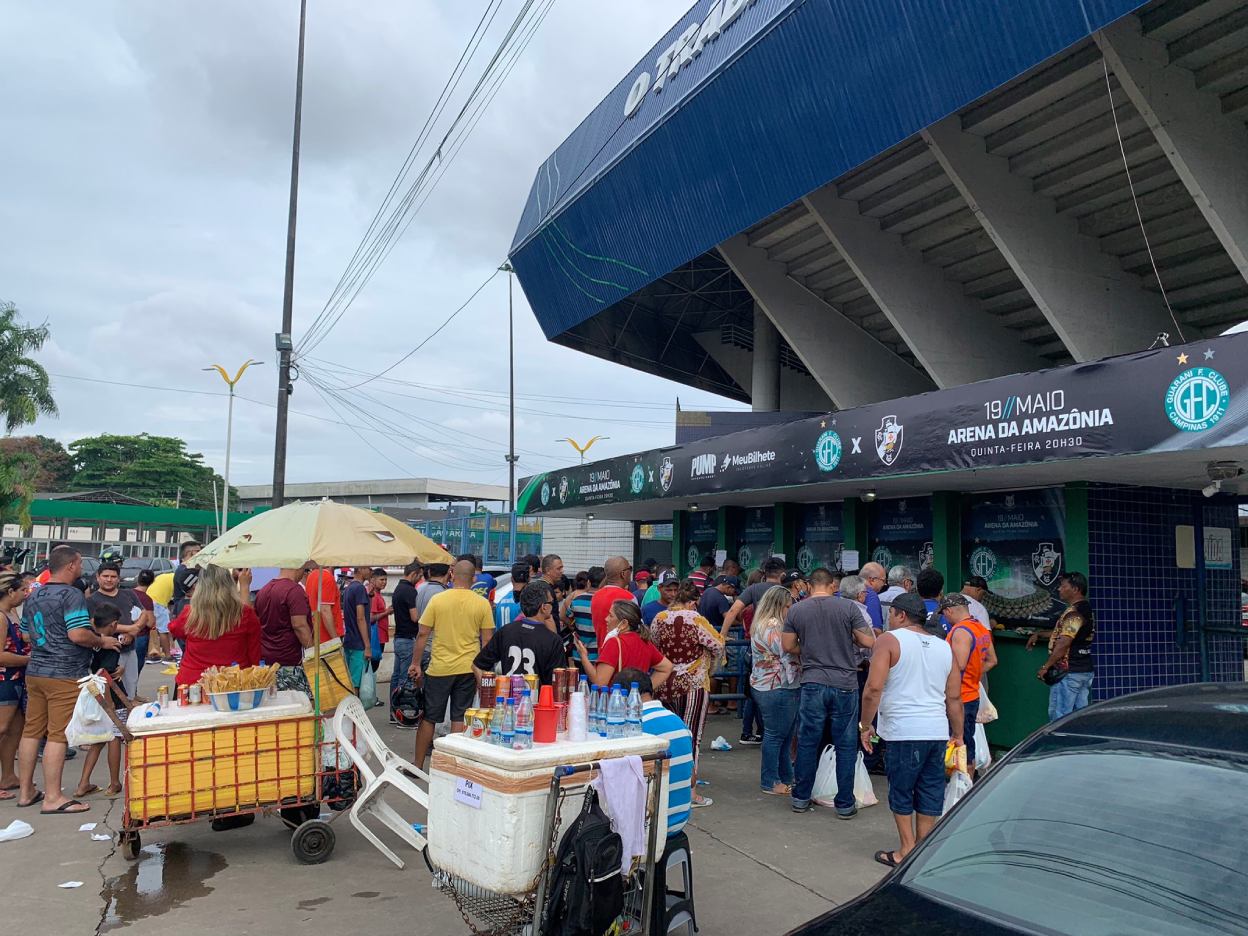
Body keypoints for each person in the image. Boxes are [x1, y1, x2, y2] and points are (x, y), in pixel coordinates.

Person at [859, 592, 964, 867]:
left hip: (903, 731)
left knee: (902, 790)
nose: (889, 618)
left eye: (891, 613)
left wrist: (865, 725)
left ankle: (906, 850)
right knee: (930, 790)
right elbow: (954, 697)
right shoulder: (944, 646)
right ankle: (921, 852)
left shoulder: (889, 640)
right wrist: (959, 734)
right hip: (937, 732)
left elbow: (873, 688)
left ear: (901, 614)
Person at [18, 546, 122, 813]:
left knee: (31, 730)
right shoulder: (72, 595)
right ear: (72, 565)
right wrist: (101, 640)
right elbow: (78, 635)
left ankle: (27, 791)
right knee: (57, 735)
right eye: (79, 564)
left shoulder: (33, 595)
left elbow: (27, 634)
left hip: (36, 671)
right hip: (64, 673)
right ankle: (53, 798)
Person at [784, 567, 876, 816]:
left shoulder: (797, 609)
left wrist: (811, 648)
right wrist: (848, 640)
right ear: (833, 585)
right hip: (845, 682)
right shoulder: (848, 608)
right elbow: (868, 641)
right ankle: (845, 803)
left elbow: (787, 645)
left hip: (812, 681)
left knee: (808, 741)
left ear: (810, 585)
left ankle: (801, 797)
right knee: (846, 743)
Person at [412, 560, 494, 770]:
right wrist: (484, 674)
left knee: (429, 718)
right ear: (473, 578)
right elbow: (487, 642)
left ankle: (417, 765)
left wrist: (415, 664)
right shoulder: (482, 603)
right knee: (459, 717)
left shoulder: (438, 600)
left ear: (452, 575)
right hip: (468, 668)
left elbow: (422, 634)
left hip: (439, 668)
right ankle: (453, 768)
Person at [650, 582, 724, 808]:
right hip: (693, 684)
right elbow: (718, 644)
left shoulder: (659, 618)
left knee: (665, 736)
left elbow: (653, 644)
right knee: (692, 735)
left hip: (663, 684)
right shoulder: (697, 620)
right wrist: (712, 667)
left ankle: (663, 784)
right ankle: (689, 791)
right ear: (692, 602)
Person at [617, 669, 693, 840]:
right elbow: (692, 779)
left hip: (646, 827)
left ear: (621, 698)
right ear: (651, 691)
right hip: (679, 820)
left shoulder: (630, 728)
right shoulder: (679, 723)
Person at [168, 563, 262, 686]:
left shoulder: (190, 613)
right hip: (233, 681)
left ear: (200, 586)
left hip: (193, 682)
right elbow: (254, 653)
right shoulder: (245, 614)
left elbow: (174, 629)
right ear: (229, 585)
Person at [73, 602, 126, 799]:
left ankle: (83, 783)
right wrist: (110, 704)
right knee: (113, 738)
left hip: (90, 693)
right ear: (113, 625)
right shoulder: (111, 644)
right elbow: (107, 673)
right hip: (109, 697)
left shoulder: (88, 640)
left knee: (97, 741)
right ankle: (114, 783)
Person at [750, 584, 799, 796]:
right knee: (776, 735)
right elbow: (786, 649)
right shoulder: (773, 625)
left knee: (784, 734)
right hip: (776, 685)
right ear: (779, 606)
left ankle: (786, 777)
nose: (791, 610)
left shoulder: (762, 623)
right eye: (789, 606)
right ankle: (770, 780)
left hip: (768, 684)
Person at [1027, 572, 1095, 720]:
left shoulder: (1074, 613)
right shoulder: (1086, 609)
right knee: (1078, 719)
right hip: (1083, 671)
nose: (1059, 589)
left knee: (1059, 719)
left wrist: (1046, 667)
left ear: (1075, 589)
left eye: (1063, 586)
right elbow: (1066, 632)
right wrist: (1039, 634)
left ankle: (1059, 743)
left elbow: (1064, 642)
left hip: (1068, 673)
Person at [940, 593, 996, 768]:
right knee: (966, 745)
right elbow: (992, 660)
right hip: (972, 695)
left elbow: (959, 665)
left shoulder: (960, 632)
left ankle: (960, 788)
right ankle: (967, 786)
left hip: (959, 698)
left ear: (949, 611)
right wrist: (975, 673)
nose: (944, 618)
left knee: (958, 747)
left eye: (944, 613)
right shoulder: (980, 628)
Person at [473, 582, 566, 686]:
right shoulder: (553, 640)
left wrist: (487, 691)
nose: (553, 607)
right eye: (551, 603)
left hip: (508, 701)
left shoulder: (506, 631)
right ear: (543, 607)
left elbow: (477, 666)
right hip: (539, 700)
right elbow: (559, 682)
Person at [87, 562, 152, 699]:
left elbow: (144, 614)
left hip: (130, 648)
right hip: (109, 651)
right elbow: (94, 623)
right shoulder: (91, 600)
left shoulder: (129, 594)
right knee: (112, 689)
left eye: (113, 576)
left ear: (118, 578)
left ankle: (129, 711)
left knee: (131, 685)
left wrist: (132, 633)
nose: (109, 579)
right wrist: (131, 628)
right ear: (98, 577)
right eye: (105, 576)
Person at [254, 564, 315, 698]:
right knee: (297, 711)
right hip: (289, 664)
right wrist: (314, 654)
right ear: (298, 565)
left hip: (267, 665)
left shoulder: (263, 591)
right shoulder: (294, 590)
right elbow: (299, 626)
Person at [594, 600, 672, 691]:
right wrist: (642, 691)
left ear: (624, 624)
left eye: (611, 615)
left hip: (615, 701)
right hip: (636, 701)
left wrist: (584, 659)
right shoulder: (645, 642)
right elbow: (667, 667)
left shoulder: (614, 643)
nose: (606, 619)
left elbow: (600, 683)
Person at [0, 570, 31, 800]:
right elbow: (1, 655)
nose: (25, 594)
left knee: (15, 729)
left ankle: (9, 775)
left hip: (17, 678)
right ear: (10, 592)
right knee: (2, 728)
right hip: (5, 679)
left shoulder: (11, 613)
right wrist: (30, 660)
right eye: (22, 590)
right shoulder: (1, 617)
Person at [389, 560, 423, 722]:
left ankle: (393, 712)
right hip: (408, 639)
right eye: (420, 576)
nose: (420, 579)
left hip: (399, 638)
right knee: (405, 679)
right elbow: (415, 617)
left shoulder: (397, 589)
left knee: (396, 678)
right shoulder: (410, 591)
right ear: (414, 573)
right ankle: (402, 715)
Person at [590, 556, 636, 647]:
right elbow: (635, 630)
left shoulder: (595, 596)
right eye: (629, 569)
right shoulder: (629, 597)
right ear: (623, 574)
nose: (631, 572)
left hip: (602, 651)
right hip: (622, 652)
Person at [340, 567, 374, 688]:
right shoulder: (359, 588)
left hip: (350, 639)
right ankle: (356, 706)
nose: (371, 571)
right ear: (360, 569)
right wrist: (368, 646)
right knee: (357, 684)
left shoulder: (349, 587)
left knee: (351, 681)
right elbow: (360, 618)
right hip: (359, 643)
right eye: (369, 568)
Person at [567, 565, 602, 663]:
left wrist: (575, 627)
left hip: (578, 653)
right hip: (598, 654)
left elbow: (568, 616)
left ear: (588, 583)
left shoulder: (577, 600)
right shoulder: (605, 602)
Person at [304, 564, 344, 645]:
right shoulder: (327, 577)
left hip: (317, 635)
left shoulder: (312, 575)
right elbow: (325, 611)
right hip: (328, 638)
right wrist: (336, 641)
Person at [367, 568, 391, 673]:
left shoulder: (378, 595)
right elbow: (371, 618)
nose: (384, 582)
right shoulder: (374, 596)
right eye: (381, 580)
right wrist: (387, 612)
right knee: (372, 668)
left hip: (380, 636)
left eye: (385, 580)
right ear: (373, 580)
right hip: (376, 638)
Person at [170, 540, 202, 616]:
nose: (201, 554)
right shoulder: (183, 571)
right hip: (184, 611)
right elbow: (191, 591)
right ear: (189, 553)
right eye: (198, 551)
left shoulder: (187, 570)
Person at [494, 562, 527, 631]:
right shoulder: (528, 603)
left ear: (512, 579)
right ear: (529, 579)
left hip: (502, 640)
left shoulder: (500, 602)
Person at [858, 561, 887, 631]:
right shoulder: (871, 596)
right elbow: (876, 630)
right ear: (872, 580)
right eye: (883, 580)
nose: (885, 584)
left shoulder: (842, 591)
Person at [539, 554, 564, 628]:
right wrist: (554, 638)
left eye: (562, 568)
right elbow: (547, 618)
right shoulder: (546, 589)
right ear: (547, 570)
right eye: (559, 569)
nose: (562, 571)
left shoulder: (545, 586)